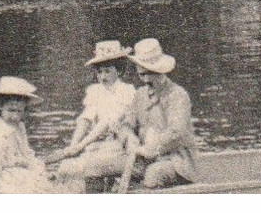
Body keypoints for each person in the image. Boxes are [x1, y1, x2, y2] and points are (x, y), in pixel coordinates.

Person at [49, 40, 138, 188]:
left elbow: (109, 122)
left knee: (86, 167)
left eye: (108, 71)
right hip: (97, 142)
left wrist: (80, 146)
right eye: (99, 71)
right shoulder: (95, 90)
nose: (103, 76)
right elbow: (86, 119)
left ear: (119, 70)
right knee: (67, 167)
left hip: (119, 144)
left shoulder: (127, 91)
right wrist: (73, 146)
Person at [115, 37, 196, 189]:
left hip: (176, 161)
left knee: (153, 175)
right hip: (142, 159)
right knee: (99, 167)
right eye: (141, 74)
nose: (145, 79)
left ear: (161, 71)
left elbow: (176, 133)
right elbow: (126, 125)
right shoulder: (139, 95)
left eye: (149, 74)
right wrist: (129, 138)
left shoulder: (177, 95)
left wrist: (149, 149)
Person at [0, 77, 51, 194]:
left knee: (40, 183)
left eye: (19, 111)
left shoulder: (19, 126)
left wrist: (33, 167)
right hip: (0, 176)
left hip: (17, 172)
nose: (15, 116)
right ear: (0, 106)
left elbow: (25, 152)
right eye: (11, 110)